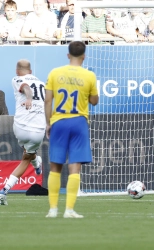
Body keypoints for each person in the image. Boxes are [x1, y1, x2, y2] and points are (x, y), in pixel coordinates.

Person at [44, 41, 99, 218]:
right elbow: (94, 101)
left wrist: (48, 123)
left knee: (55, 167)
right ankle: (69, 210)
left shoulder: (55, 72)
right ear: (84, 56)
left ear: (68, 55)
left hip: (59, 121)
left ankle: (52, 210)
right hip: (78, 121)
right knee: (74, 168)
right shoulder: (89, 75)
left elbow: (47, 101)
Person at [0, 59, 44, 205]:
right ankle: (36, 164)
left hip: (20, 127)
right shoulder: (43, 85)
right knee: (27, 157)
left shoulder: (17, 79)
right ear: (31, 71)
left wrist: (29, 99)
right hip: (38, 129)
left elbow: (26, 88)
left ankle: (36, 162)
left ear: (17, 71)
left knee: (27, 152)